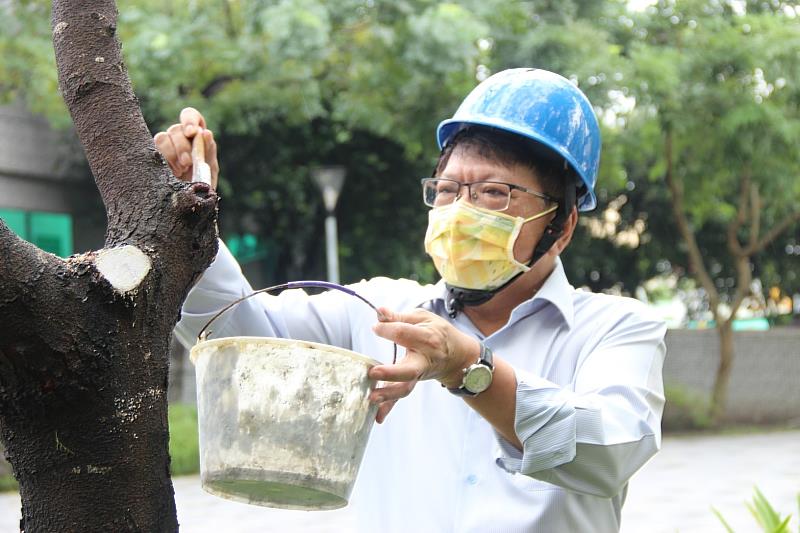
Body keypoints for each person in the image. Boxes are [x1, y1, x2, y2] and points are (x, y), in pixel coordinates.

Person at [160, 68, 666, 533]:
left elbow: (609, 450)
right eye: (447, 190)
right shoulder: (378, 313)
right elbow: (235, 340)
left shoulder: (616, 329)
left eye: (494, 192)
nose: (461, 211)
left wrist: (469, 367)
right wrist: (185, 222)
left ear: (562, 225)